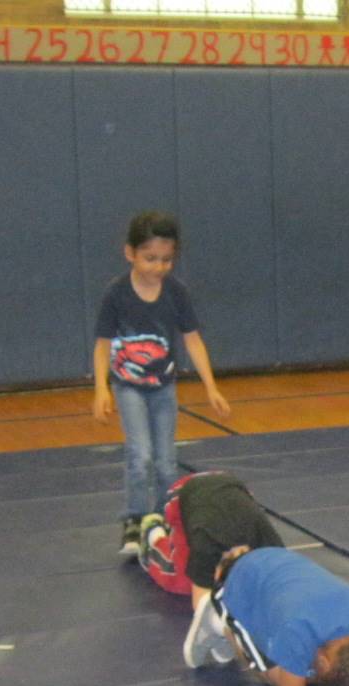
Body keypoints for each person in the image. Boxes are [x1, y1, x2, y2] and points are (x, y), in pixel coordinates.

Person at [92, 210, 230, 558]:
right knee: (140, 456)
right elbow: (103, 345)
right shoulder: (117, 294)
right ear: (130, 253)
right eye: (150, 258)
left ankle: (164, 519)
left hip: (163, 387)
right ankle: (135, 519)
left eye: (167, 260)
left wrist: (211, 386)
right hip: (129, 387)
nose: (159, 267)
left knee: (167, 461)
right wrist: (101, 388)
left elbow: (193, 340)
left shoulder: (176, 293)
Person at [184, 546, 349, 686]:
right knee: (277, 678)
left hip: (277, 558)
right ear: (323, 662)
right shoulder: (297, 629)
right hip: (237, 581)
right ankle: (218, 623)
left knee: (301, 672)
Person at [138, 471, 284, 606]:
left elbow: (282, 585)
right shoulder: (206, 544)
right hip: (183, 492)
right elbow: (201, 607)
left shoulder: (268, 542)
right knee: (182, 582)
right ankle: (152, 533)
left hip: (230, 486)